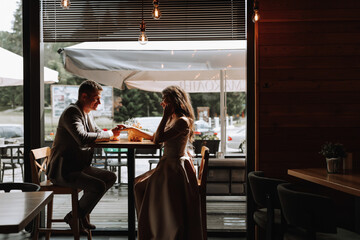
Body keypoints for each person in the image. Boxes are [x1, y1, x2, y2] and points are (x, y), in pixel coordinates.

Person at [118, 85, 203, 240]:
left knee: (138, 187)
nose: (162, 103)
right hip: (167, 164)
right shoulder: (173, 119)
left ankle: (152, 228)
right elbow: (155, 135)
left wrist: (164, 116)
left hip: (174, 168)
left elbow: (158, 139)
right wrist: (131, 128)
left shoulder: (182, 121)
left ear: (175, 102)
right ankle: (149, 226)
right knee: (137, 184)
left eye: (165, 100)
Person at [46, 80, 119, 232]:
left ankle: (78, 215)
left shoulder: (87, 113)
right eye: (96, 98)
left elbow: (98, 133)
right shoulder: (71, 112)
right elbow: (82, 137)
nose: (99, 102)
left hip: (78, 167)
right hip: (63, 170)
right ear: (84, 96)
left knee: (110, 177)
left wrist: (111, 133)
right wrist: (109, 134)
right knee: (98, 186)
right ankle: (77, 216)